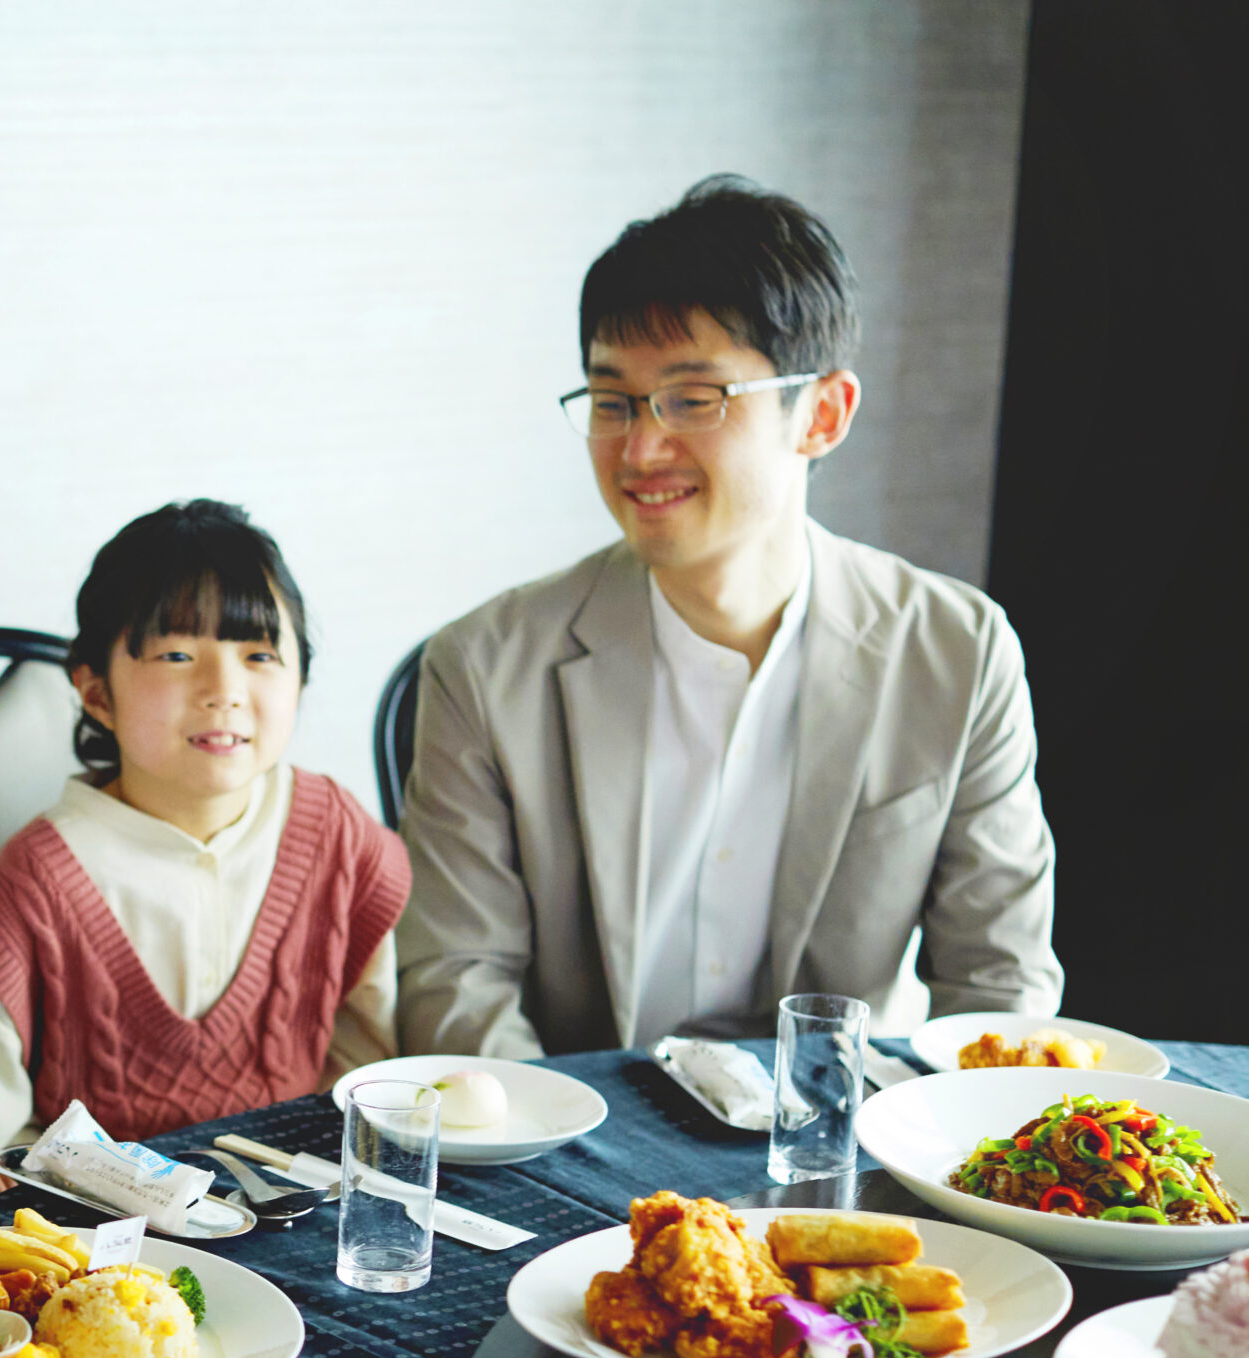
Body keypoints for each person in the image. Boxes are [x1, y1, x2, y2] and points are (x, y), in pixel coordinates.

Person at [396, 176, 1061, 1059]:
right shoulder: (483, 668)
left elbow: (1000, 990)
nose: (641, 448)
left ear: (822, 414)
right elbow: (456, 987)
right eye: (612, 401)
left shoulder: (957, 654)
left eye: (692, 398)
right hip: (579, 1129)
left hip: (853, 1125)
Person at [0, 500, 408, 1143]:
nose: (224, 690)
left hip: (305, 1191)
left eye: (260, 656)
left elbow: (371, 1078)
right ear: (97, 694)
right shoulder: (35, 883)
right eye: (178, 656)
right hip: (88, 1208)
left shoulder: (337, 835)